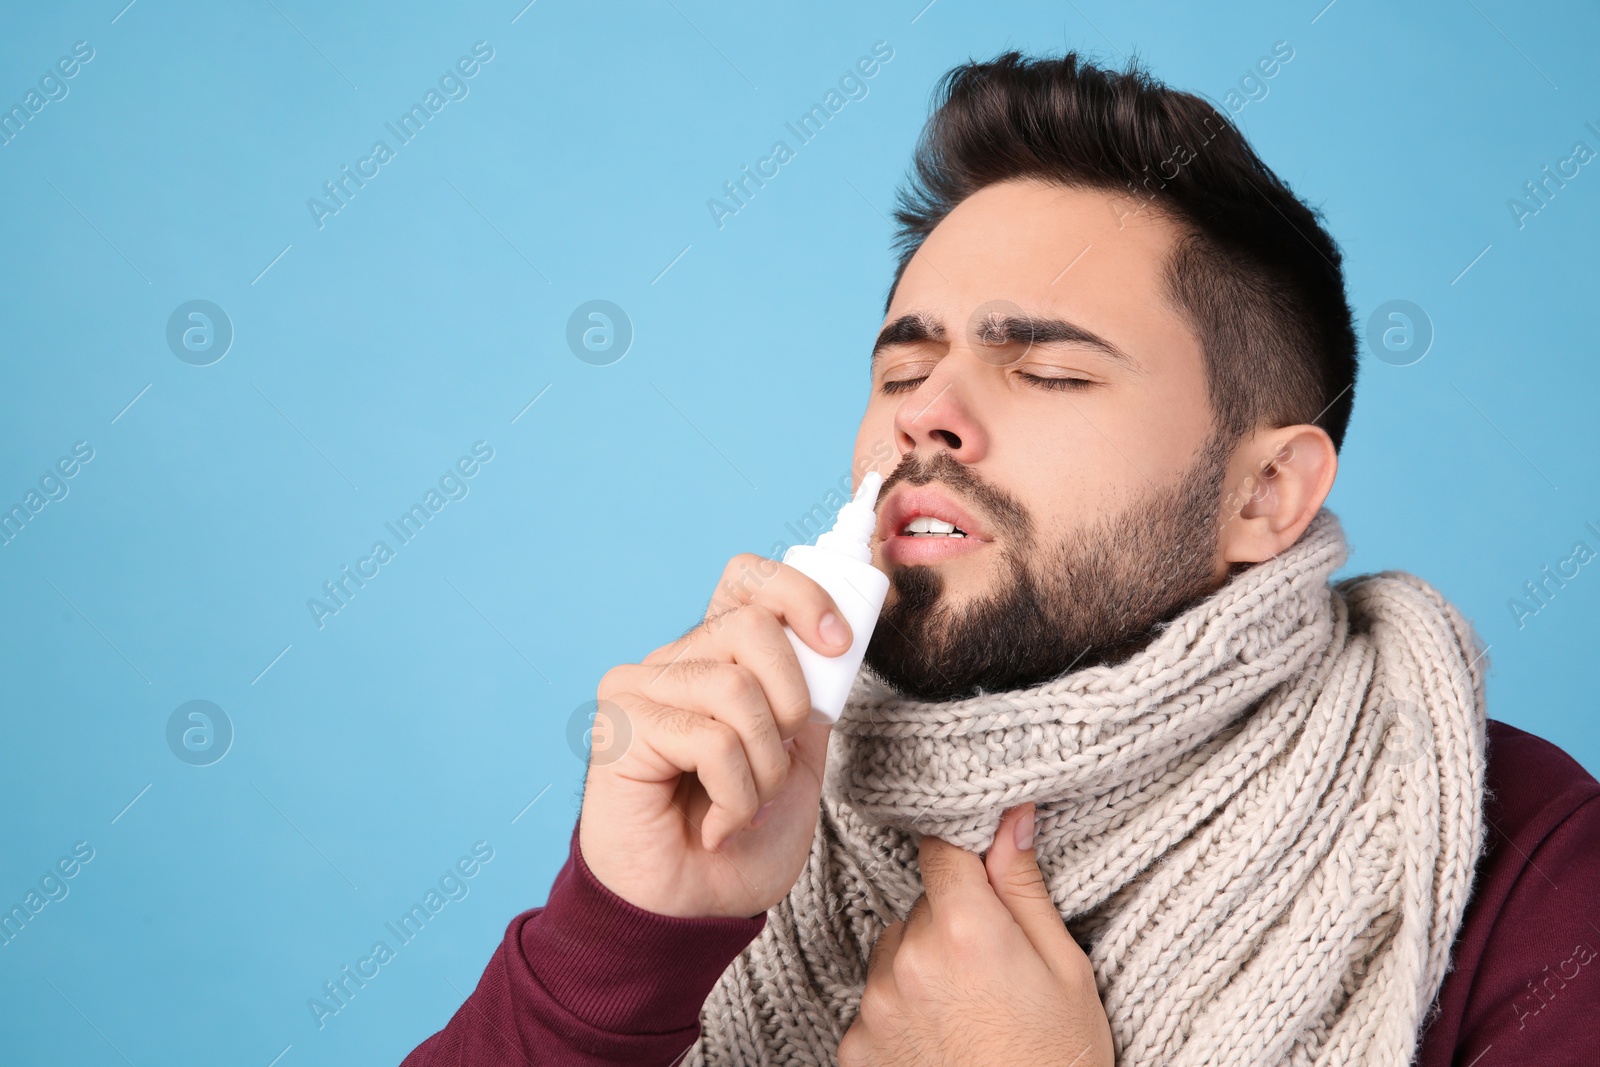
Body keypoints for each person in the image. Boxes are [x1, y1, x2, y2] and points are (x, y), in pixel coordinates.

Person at [401, 51, 1600, 1066]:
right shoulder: (742, 810)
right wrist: (618, 938)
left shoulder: (1531, 871)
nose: (929, 416)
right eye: (900, 371)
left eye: (1050, 371)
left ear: (1264, 493)